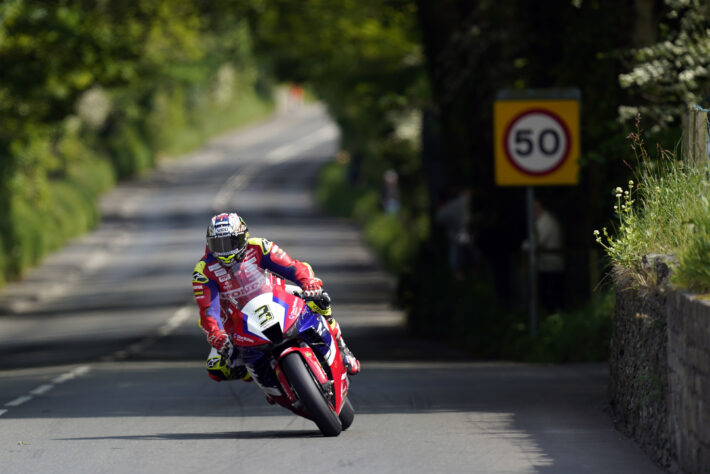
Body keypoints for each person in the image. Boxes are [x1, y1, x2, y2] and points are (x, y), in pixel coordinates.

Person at [191, 212, 360, 382]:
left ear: (243, 237)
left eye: (229, 243)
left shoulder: (260, 246)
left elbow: (292, 267)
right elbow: (208, 311)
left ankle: (342, 348)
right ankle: (266, 380)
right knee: (216, 367)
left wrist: (308, 283)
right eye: (217, 244)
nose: (224, 250)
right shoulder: (203, 270)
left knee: (320, 300)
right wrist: (217, 334)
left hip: (276, 296)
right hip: (236, 319)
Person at [522, 200, 565, 313]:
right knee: (547, 295)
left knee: (550, 296)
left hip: (550, 265)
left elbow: (537, 241)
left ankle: (552, 317)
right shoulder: (543, 220)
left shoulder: (545, 221)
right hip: (546, 265)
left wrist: (524, 247)